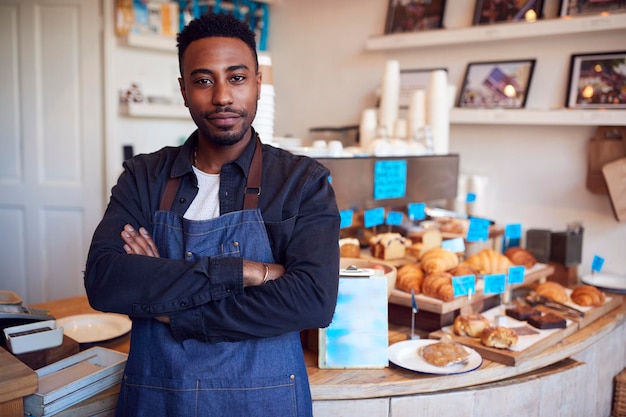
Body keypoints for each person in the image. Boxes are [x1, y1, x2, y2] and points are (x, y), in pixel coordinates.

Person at [84, 12, 340, 417]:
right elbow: (105, 281)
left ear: (258, 83)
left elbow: (312, 301)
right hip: (158, 396)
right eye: (204, 80)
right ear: (184, 90)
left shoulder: (302, 183)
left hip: (266, 401)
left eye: (237, 78)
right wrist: (243, 272)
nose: (222, 96)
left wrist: (171, 309)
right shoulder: (144, 177)